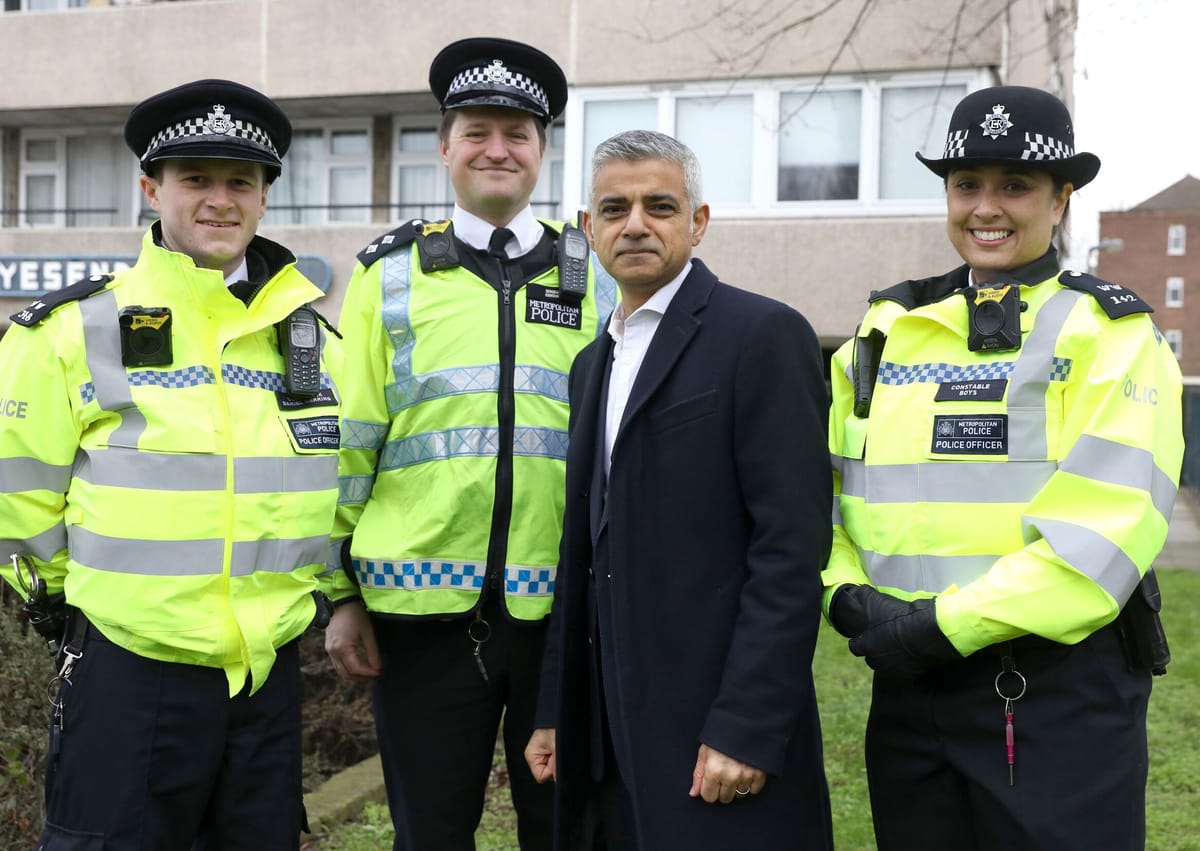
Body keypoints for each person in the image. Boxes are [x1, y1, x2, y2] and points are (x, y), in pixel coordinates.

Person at [824, 85, 1184, 850]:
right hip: (909, 689)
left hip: (1052, 694)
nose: (986, 207)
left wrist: (939, 627)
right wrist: (846, 596)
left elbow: (1103, 536)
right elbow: (833, 491)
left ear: (1062, 200)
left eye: (1015, 185)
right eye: (967, 185)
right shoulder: (886, 330)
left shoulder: (1110, 333)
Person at [0, 78, 342, 849]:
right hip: (129, 670)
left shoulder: (312, 345)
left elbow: (325, 494)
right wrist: (72, 608)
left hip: (266, 679)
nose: (219, 200)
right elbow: (16, 502)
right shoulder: (65, 331)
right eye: (196, 179)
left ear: (264, 200)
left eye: (240, 182)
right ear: (152, 188)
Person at [323, 37, 617, 850]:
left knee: (561, 828)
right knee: (430, 831)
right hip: (418, 620)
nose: (498, 149)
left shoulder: (591, 275)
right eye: (478, 130)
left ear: (542, 151)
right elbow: (350, 443)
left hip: (559, 616)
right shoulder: (387, 276)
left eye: (517, 133)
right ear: (445, 145)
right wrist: (339, 593)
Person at [524, 130, 835, 850]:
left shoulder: (763, 335)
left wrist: (749, 727)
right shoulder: (590, 363)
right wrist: (557, 708)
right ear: (587, 229)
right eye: (614, 208)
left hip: (713, 730)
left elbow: (789, 549)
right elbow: (581, 551)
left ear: (698, 221)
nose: (635, 224)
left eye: (659, 206)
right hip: (606, 734)